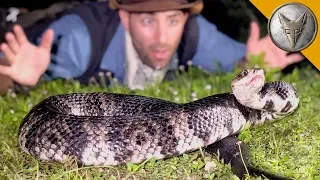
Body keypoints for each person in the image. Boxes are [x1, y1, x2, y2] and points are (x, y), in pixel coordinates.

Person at [0, 0, 304, 93]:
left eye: (172, 20)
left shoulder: (194, 32)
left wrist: (255, 60)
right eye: (148, 21)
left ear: (185, 16)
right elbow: (7, 69)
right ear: (124, 16)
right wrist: (14, 79)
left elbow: (239, 62)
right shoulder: (77, 41)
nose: (162, 38)